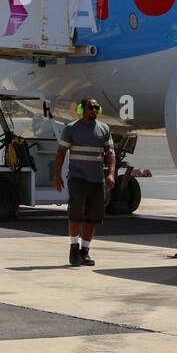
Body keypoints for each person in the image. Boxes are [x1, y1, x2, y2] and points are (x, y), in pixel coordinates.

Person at [52, 98, 116, 267]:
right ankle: (74, 248)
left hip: (97, 180)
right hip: (77, 178)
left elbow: (110, 154)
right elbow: (61, 153)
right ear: (82, 109)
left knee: (93, 217)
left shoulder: (104, 129)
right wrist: (57, 176)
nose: (94, 110)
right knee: (76, 213)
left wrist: (111, 174)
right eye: (90, 107)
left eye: (96, 107)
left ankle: (85, 251)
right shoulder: (71, 129)